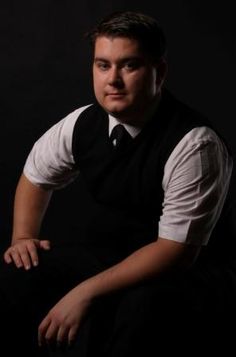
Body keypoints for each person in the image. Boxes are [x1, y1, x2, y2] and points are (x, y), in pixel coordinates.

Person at [1, 10, 236, 356]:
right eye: (102, 65)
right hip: (115, 254)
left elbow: (176, 252)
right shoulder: (82, 122)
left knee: (139, 310)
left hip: (191, 269)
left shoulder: (194, 144)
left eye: (129, 65)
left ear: (159, 72)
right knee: (18, 274)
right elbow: (35, 176)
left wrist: (85, 291)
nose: (113, 80)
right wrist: (22, 237)